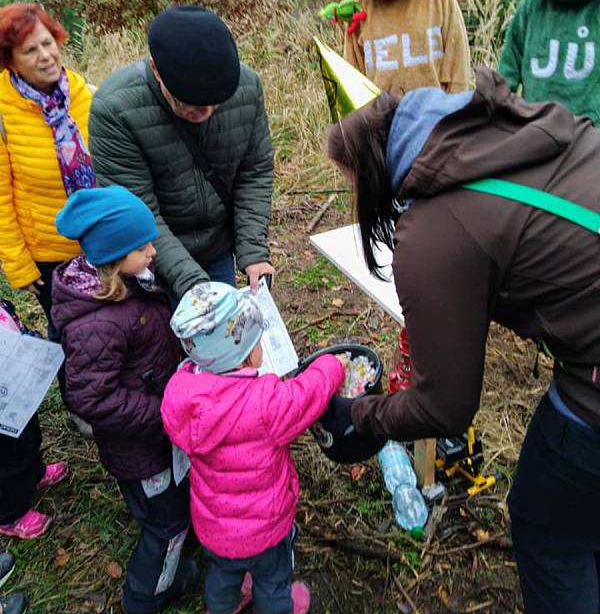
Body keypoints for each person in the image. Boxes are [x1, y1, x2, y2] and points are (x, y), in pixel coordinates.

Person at [324, 67, 600, 614]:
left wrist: (360, 416)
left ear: (371, 170)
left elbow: (446, 406)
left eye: (351, 184)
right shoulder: (519, 129)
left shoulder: (432, 233)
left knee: (548, 533)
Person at [52, 186, 198, 614]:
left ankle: (168, 560)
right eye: (142, 246)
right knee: (166, 524)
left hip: (156, 436)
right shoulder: (96, 322)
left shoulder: (130, 284)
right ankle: (147, 593)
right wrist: (162, 413)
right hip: (141, 449)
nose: (154, 251)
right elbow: (89, 398)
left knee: (169, 503)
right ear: (114, 255)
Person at [161, 282, 347, 614]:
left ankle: (223, 606)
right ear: (246, 353)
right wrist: (331, 367)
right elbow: (308, 394)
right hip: (266, 529)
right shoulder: (266, 403)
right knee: (274, 581)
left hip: (214, 527)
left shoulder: (180, 391)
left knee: (221, 575)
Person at [88, 5, 274, 301]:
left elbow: (254, 171)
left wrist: (252, 250)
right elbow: (139, 211)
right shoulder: (116, 109)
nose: (205, 113)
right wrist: (193, 284)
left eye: (215, 103)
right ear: (155, 71)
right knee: (163, 342)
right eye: (189, 103)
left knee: (224, 339)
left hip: (216, 247)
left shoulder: (246, 87)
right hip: (148, 258)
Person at [0, 3, 94, 342]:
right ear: (9, 61)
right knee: (69, 336)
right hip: (49, 256)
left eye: (47, 43)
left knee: (112, 330)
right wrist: (19, 264)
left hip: (101, 240)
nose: (45, 56)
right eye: (30, 50)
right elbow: (1, 200)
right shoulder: (3, 112)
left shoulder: (85, 95)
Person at [0, 299, 68, 540]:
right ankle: (10, 514)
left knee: (27, 433)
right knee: (6, 455)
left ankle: (34, 473)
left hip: (11, 375)